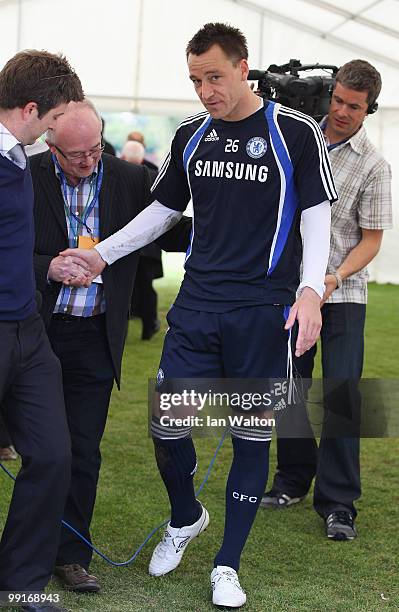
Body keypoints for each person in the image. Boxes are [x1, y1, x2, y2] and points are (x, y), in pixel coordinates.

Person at [61, 22, 337, 609]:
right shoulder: (192, 135)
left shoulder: (296, 133)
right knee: (167, 424)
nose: (205, 90)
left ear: (243, 67)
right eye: (195, 79)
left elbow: (316, 218)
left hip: (264, 311)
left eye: (214, 76)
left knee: (251, 438)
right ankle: (186, 517)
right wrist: (98, 255)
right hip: (197, 308)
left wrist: (311, 291)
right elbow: (163, 212)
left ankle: (226, 564)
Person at [30, 99, 191, 595]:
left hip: (95, 337)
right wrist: (47, 269)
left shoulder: (130, 177)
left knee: (83, 450)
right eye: (75, 154)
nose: (88, 161)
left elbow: (170, 229)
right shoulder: (23, 173)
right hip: (33, 334)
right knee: (39, 450)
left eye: (95, 149)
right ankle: (24, 551)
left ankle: (71, 552)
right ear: (50, 145)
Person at [261, 60, 393, 540]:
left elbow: (372, 240)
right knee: (291, 389)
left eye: (353, 106)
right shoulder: (299, 136)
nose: (340, 111)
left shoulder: (375, 166)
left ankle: (338, 502)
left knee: (340, 396)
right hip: (291, 290)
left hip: (343, 293)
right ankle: (292, 478)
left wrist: (334, 277)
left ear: (368, 109)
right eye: (336, 100)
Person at [0, 50, 83, 612]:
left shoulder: (17, 158)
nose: (55, 132)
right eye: (53, 122)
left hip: (27, 329)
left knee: (53, 453)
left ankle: (21, 579)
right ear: (32, 109)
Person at [120, 140, 163, 340]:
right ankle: (148, 326)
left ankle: (125, 329)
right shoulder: (155, 175)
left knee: (127, 288)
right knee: (145, 288)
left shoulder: (119, 176)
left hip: (132, 244)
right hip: (147, 245)